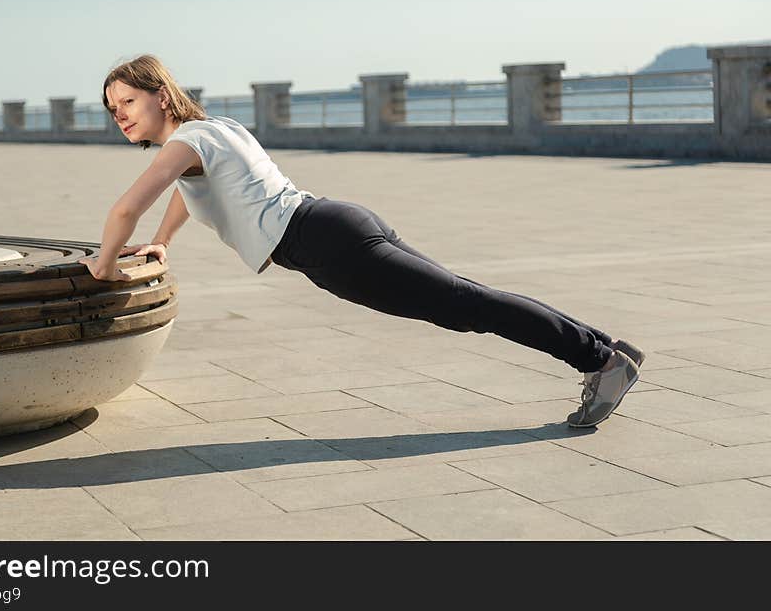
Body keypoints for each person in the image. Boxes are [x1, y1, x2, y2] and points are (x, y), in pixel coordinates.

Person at [79, 54, 645, 429]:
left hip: (326, 245)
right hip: (335, 223)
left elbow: (126, 204)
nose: (119, 116)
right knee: (466, 298)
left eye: (127, 102)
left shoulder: (187, 143)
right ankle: (605, 349)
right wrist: (162, 242)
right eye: (112, 110)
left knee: (466, 307)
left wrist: (103, 267)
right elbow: (188, 192)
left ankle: (599, 359)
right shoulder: (208, 132)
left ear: (160, 95)